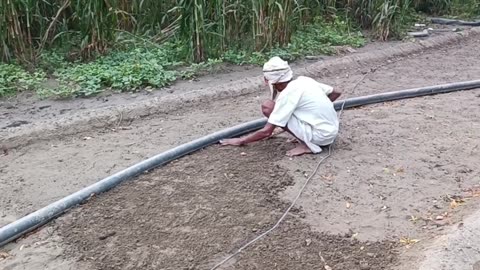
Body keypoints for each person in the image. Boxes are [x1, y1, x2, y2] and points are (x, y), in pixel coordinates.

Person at [220, 56, 341, 156]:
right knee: (281, 111)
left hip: (320, 137)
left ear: (273, 82)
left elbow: (267, 131)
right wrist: (317, 112)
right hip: (331, 132)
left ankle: (307, 144)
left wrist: (241, 141)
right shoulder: (304, 80)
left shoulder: (287, 94)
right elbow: (336, 92)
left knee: (268, 107)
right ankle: (306, 136)